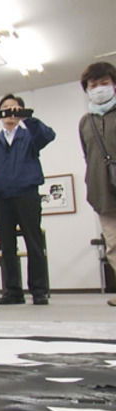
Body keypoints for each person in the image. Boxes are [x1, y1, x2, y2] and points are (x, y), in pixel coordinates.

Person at [0, 94, 55, 305]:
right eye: (5, 108)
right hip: (1, 197)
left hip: (27, 194)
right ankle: (13, 291)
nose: (10, 112)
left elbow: (48, 135)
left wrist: (27, 118)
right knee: (7, 246)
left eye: (14, 108)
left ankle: (39, 290)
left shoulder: (29, 137)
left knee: (34, 243)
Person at [76, 61, 116, 307]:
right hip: (102, 190)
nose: (99, 88)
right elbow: (87, 155)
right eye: (93, 85)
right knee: (113, 243)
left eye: (104, 83)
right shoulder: (85, 122)